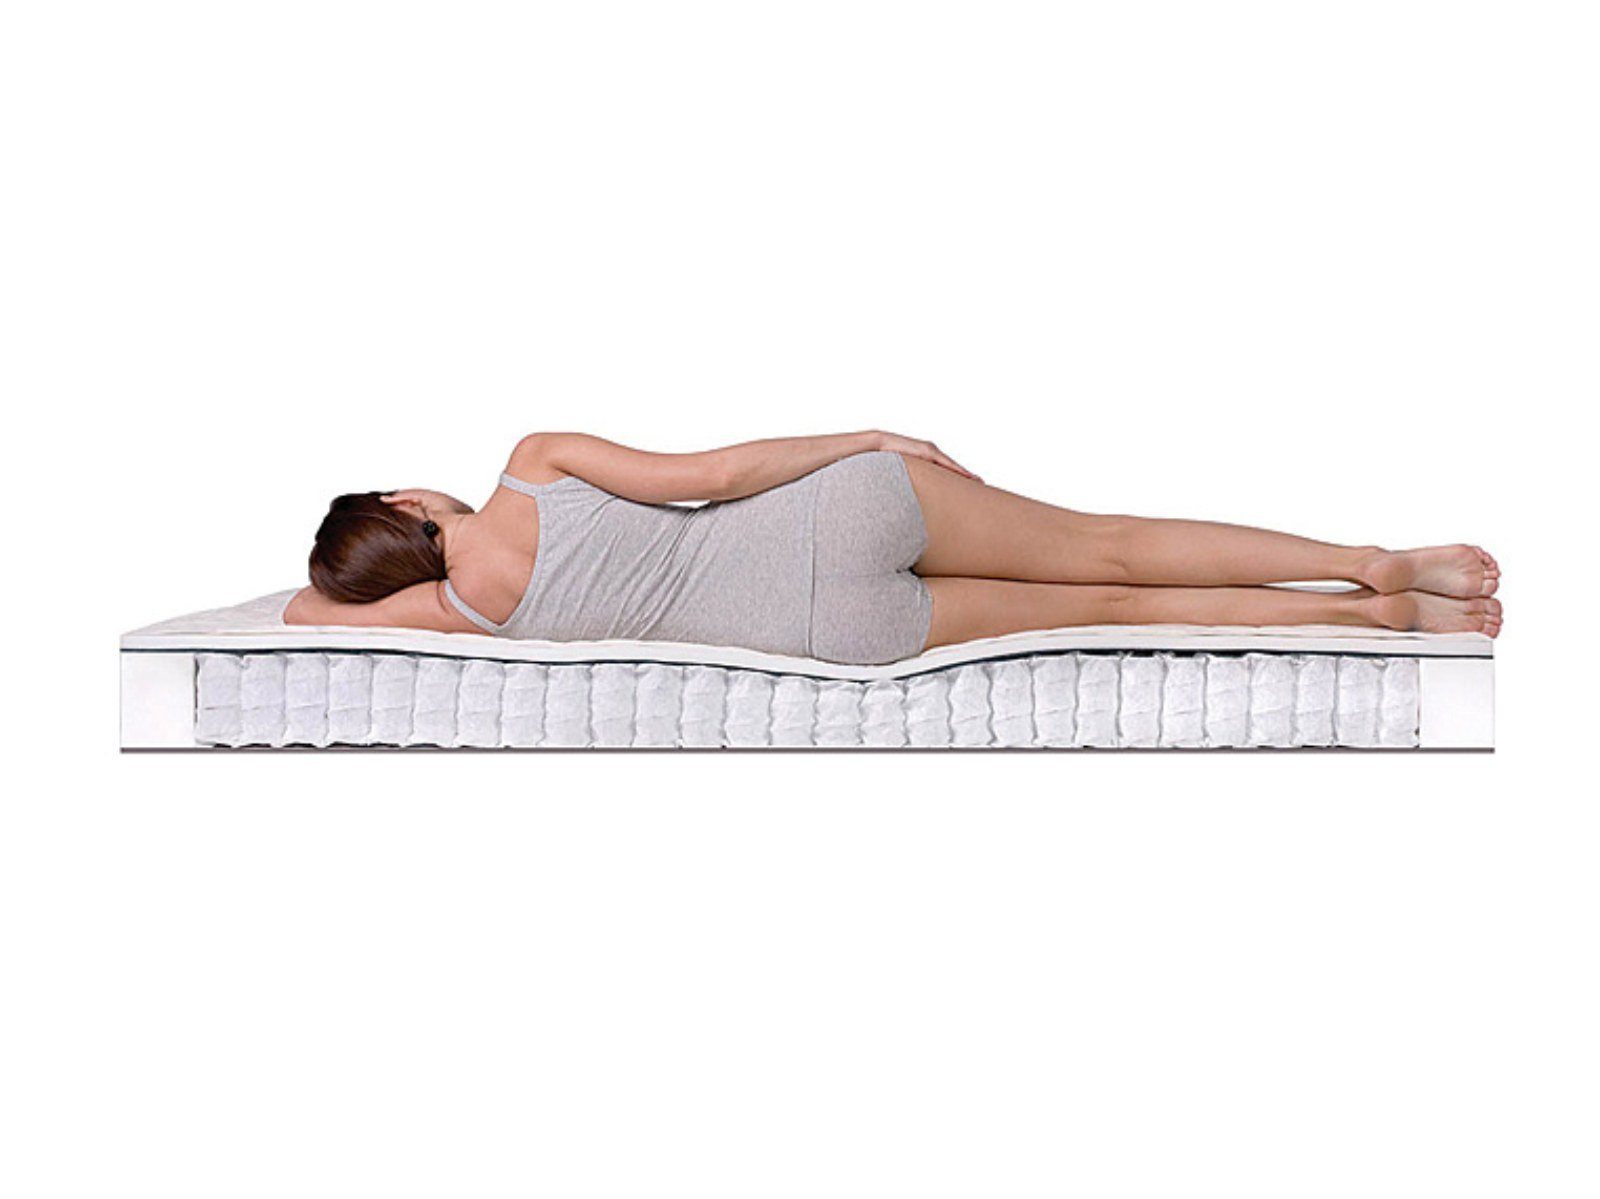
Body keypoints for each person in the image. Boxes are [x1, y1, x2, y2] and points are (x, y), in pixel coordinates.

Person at [286, 431, 1501, 664]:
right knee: (1111, 544)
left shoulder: (465, 615)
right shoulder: (532, 462)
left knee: (1108, 610)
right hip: (835, 513)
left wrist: (369, 586)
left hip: (829, 628)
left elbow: (304, 614)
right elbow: (717, 478)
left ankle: (1370, 618)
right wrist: (865, 436)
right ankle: (1370, 560)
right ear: (408, 494)